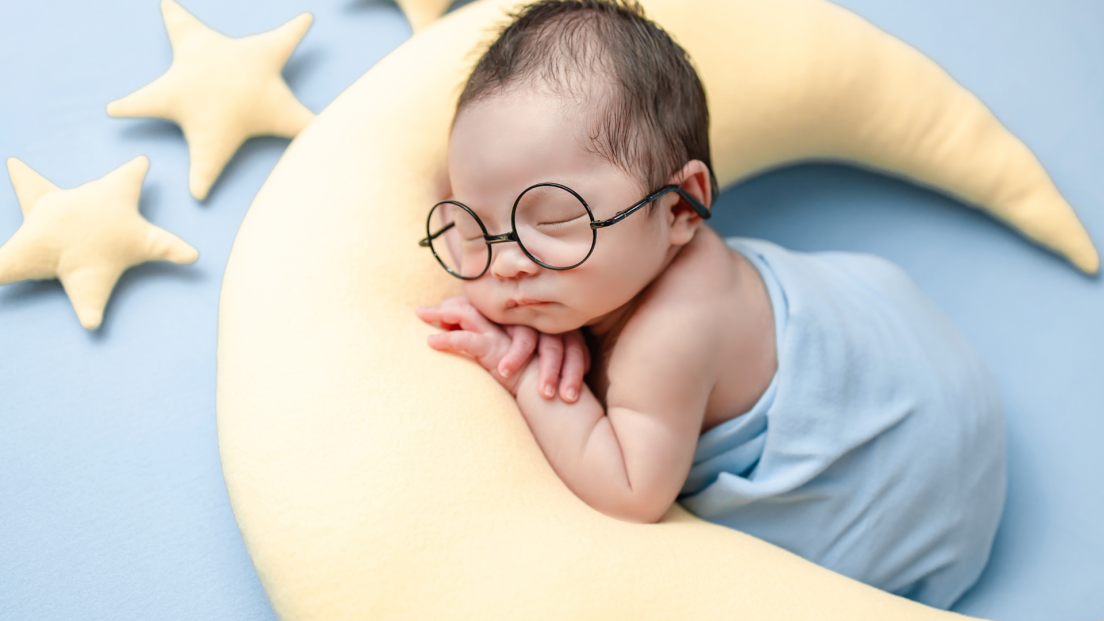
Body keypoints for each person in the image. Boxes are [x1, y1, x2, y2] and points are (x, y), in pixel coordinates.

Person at [414, 0, 1006, 609]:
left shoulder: (670, 332)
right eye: (476, 228)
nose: (507, 263)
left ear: (679, 207)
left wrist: (527, 375)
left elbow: (630, 491)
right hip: (907, 344)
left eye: (556, 220)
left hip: (914, 479)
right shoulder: (606, 273)